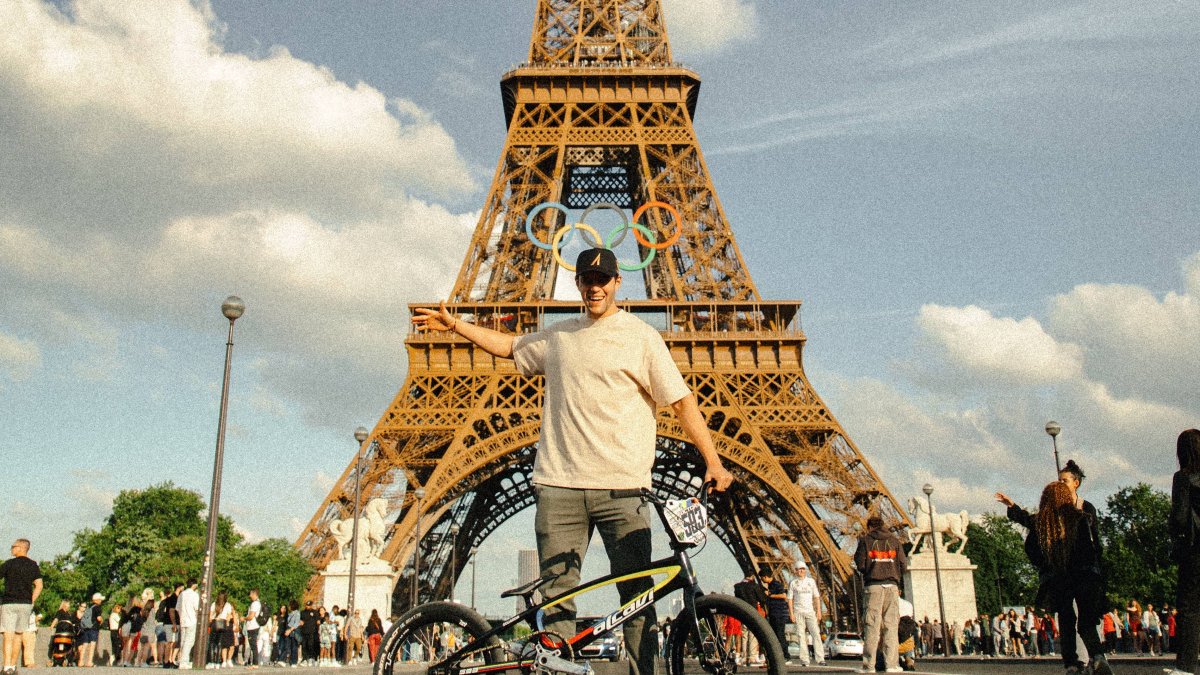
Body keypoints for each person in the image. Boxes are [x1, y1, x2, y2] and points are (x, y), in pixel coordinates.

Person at [412, 246, 734, 675]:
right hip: (559, 486)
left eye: (602, 280)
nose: (594, 287)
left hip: (624, 488)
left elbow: (681, 402)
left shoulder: (642, 337)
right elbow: (509, 347)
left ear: (618, 283)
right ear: (578, 284)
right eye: (587, 279)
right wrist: (455, 324)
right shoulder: (559, 335)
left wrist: (713, 461)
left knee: (637, 596)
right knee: (557, 600)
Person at [998, 481, 1111, 675]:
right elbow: (1091, 549)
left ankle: (1072, 665)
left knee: (1066, 621)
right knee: (1086, 621)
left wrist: (1011, 506)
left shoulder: (1042, 522)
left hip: (1057, 577)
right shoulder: (1080, 518)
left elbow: (1028, 529)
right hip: (1084, 574)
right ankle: (1098, 657)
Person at [854, 514, 907, 673]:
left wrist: (873, 568)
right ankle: (892, 665)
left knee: (872, 626)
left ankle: (869, 666)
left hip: (874, 586)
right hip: (892, 586)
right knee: (891, 626)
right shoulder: (895, 540)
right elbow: (903, 564)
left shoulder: (865, 540)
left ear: (870, 527)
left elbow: (860, 564)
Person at [1169, 428, 1200, 675]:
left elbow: (1180, 518)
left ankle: (1186, 667)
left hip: (1195, 549)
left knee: (1190, 608)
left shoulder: (1183, 478)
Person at [1, 538, 43, 674]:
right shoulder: (33, 565)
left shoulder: (8, 564)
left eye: (13, 546)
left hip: (9, 603)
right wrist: (31, 600)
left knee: (8, 635)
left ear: (21, 548)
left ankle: (6, 666)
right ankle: (13, 666)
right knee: (19, 635)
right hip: (25, 604)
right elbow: (39, 585)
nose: (12, 549)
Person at [787, 561, 825, 666]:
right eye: (799, 569)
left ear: (805, 570)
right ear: (795, 571)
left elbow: (816, 597)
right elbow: (790, 599)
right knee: (800, 636)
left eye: (803, 569)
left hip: (810, 611)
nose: (801, 571)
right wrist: (791, 613)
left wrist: (818, 611)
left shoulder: (811, 581)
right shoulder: (793, 583)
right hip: (798, 611)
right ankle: (804, 660)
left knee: (816, 634)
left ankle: (820, 658)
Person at [760, 566, 791, 662]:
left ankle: (786, 656)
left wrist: (770, 595)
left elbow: (784, 595)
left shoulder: (776, 584)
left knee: (780, 634)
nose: (761, 580)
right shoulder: (770, 585)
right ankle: (779, 655)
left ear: (765, 577)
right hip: (774, 613)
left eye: (762, 578)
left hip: (779, 614)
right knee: (776, 635)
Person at [177, 579, 199, 669]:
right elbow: (197, 608)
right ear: (194, 585)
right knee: (189, 641)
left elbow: (178, 608)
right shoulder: (194, 595)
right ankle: (184, 661)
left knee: (183, 640)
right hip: (192, 620)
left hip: (183, 620)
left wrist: (181, 616)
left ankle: (181, 659)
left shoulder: (182, 594)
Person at [245, 589, 263, 670]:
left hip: (253, 626)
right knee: (253, 645)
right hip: (254, 626)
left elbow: (251, 616)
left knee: (253, 645)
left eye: (251, 594)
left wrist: (244, 618)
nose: (250, 596)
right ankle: (254, 663)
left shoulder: (255, 603)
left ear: (254, 594)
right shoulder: (257, 603)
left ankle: (255, 664)